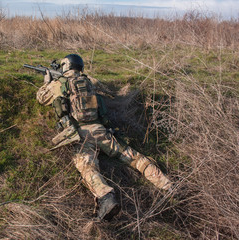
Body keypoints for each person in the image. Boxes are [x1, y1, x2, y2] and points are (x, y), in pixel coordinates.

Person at [36, 54, 172, 221]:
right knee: (132, 156)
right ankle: (167, 185)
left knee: (88, 167)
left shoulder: (58, 84)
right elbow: (106, 90)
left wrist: (47, 82)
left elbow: (41, 98)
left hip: (80, 134)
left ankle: (106, 196)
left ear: (66, 66)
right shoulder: (90, 80)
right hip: (101, 129)